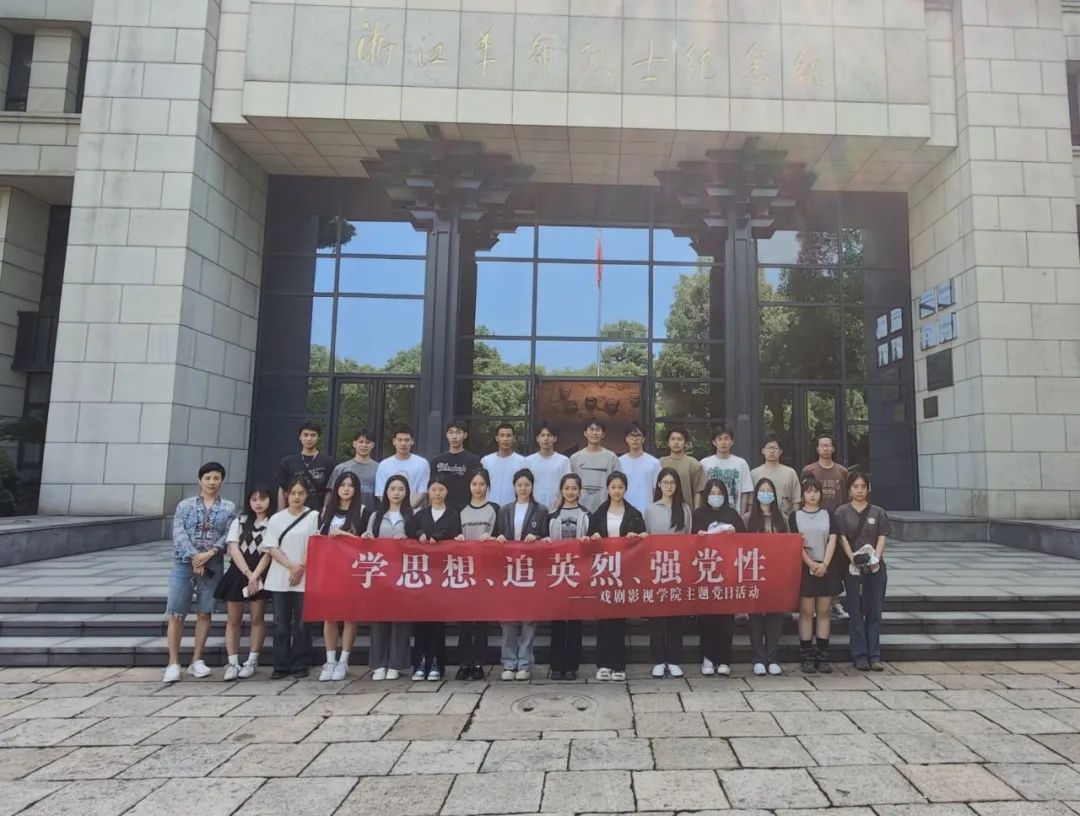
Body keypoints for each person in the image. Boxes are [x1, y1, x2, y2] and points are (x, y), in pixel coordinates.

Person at [163, 461, 236, 683]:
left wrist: (209, 554)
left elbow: (228, 535)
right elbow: (179, 533)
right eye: (208, 478)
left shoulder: (229, 507)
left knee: (205, 612)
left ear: (222, 481)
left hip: (212, 563)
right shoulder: (184, 506)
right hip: (184, 562)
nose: (212, 482)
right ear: (200, 481)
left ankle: (197, 659)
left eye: (216, 478)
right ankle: (173, 662)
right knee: (176, 612)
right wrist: (195, 556)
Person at [587, 471, 647, 682]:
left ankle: (619, 665)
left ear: (626, 489)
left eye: (620, 487)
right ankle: (603, 664)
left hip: (624, 573)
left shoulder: (634, 514)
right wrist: (594, 537)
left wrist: (636, 537)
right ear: (607, 489)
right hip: (603, 572)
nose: (617, 491)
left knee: (619, 620)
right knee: (604, 620)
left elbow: (644, 539)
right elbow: (588, 540)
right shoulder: (598, 514)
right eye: (613, 487)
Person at [260, 476, 320, 679]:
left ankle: (301, 663)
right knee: (280, 624)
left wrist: (300, 568)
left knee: (302, 623)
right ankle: (281, 664)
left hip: (305, 576)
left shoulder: (313, 516)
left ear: (307, 495)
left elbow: (314, 544)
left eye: (301, 493)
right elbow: (271, 547)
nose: (296, 497)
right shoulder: (277, 519)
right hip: (280, 577)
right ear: (286, 495)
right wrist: (291, 567)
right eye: (293, 493)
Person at [317, 472, 372, 682]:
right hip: (329, 569)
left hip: (353, 569)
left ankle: (344, 660)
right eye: (342, 485)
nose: (346, 489)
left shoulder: (364, 511)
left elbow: (366, 543)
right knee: (329, 615)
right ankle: (330, 659)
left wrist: (344, 535)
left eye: (351, 485)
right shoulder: (326, 511)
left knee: (350, 615)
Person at [214, 485, 272, 681]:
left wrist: (255, 576)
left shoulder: (273, 523)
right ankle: (233, 662)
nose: (258, 503)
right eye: (254, 499)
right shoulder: (240, 521)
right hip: (238, 573)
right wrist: (248, 573)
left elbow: (269, 552)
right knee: (234, 619)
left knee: (257, 618)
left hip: (260, 573)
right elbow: (233, 548)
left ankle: (252, 660)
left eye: (262, 499)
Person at [835, 471, 891, 672]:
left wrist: (876, 557)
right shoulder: (842, 512)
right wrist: (852, 558)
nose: (859, 491)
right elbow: (841, 537)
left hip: (875, 568)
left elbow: (882, 536)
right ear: (849, 489)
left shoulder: (878, 512)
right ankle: (859, 655)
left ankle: (874, 655)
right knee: (856, 611)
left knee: (874, 611)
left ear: (868, 489)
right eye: (855, 487)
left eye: (863, 487)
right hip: (853, 568)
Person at [495, 468, 548, 681]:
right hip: (508, 570)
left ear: (532, 486)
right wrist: (499, 538)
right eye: (519, 485)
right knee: (507, 618)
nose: (523, 488)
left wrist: (537, 538)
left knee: (529, 619)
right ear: (514, 487)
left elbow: (546, 537)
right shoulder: (505, 510)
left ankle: (525, 663)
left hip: (530, 570)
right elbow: (498, 534)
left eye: (527, 485)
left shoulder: (541, 510)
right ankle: (509, 663)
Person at [409, 475, 462, 681]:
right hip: (421, 574)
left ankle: (436, 664)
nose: (437, 493)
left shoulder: (453, 514)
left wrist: (441, 535)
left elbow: (456, 536)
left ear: (446, 492)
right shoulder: (420, 515)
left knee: (438, 622)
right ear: (428, 492)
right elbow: (410, 532)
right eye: (433, 489)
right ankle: (419, 662)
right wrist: (420, 533)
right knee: (420, 621)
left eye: (441, 489)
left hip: (442, 574)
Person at [363, 474, 415, 680]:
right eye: (393, 488)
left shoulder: (411, 515)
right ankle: (378, 664)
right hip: (380, 575)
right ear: (386, 492)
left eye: (401, 489)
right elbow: (368, 538)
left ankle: (396, 664)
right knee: (379, 618)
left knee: (400, 620)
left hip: (403, 574)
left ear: (406, 493)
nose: (396, 493)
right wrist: (367, 537)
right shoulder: (376, 516)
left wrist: (408, 539)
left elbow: (417, 543)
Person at [692, 479, 746, 677]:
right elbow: (690, 541)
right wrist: (699, 535)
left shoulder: (732, 514)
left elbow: (745, 540)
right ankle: (707, 657)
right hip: (706, 572)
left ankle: (724, 659)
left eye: (719, 493)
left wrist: (734, 532)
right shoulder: (699, 514)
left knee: (726, 619)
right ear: (706, 496)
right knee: (707, 618)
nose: (716, 497)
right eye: (712, 493)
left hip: (727, 572)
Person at [644, 467, 692, 679]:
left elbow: (689, 538)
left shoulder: (685, 509)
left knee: (675, 618)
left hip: (678, 570)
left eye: (672, 483)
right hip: (656, 570)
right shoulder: (650, 509)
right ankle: (657, 660)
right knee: (657, 619)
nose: (669, 486)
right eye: (665, 482)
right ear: (659, 485)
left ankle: (673, 660)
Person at [790, 476, 839, 674]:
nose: (812, 495)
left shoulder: (829, 514)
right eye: (808, 491)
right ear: (803, 494)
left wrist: (824, 563)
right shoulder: (794, 516)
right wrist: (810, 563)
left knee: (824, 612)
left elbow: (833, 540)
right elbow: (795, 543)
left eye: (815, 491)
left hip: (826, 566)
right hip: (804, 567)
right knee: (806, 612)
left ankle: (822, 655)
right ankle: (807, 656)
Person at [455, 468, 499, 680]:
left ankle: (479, 662)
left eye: (482, 484)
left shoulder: (494, 509)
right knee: (464, 620)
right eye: (474, 484)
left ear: (487, 486)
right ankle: (464, 662)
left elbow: (502, 536)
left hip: (486, 571)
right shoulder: (460, 510)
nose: (478, 488)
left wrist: (492, 539)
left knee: (482, 620)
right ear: (469, 486)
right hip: (464, 571)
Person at [545, 473, 591, 681]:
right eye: (567, 488)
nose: (570, 492)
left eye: (574, 488)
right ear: (561, 490)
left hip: (578, 575)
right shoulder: (551, 515)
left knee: (574, 622)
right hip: (556, 574)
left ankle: (572, 665)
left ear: (579, 491)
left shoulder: (587, 515)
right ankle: (556, 665)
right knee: (557, 623)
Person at [801, 435, 850, 621]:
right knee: (813, 561)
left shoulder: (842, 471)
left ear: (833, 448)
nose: (826, 448)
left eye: (829, 445)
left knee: (834, 564)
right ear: (817, 449)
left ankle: (835, 602)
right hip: (813, 522)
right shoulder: (809, 470)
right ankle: (813, 603)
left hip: (835, 523)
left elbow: (846, 497)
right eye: (822, 445)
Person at [744, 476, 789, 677]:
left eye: (769, 491)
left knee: (775, 617)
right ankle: (758, 658)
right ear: (756, 495)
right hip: (754, 573)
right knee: (755, 617)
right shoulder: (747, 518)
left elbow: (789, 544)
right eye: (762, 491)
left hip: (777, 574)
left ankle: (772, 657)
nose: (765, 494)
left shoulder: (782, 518)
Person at [277, 422, 335, 511]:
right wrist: (281, 512)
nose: (309, 439)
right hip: (292, 511)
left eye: (313, 435)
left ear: (318, 437)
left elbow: (329, 490)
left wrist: (325, 511)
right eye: (305, 435)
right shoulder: (288, 462)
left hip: (317, 511)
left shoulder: (328, 462)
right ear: (300, 437)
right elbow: (282, 489)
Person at [700, 421, 754, 515]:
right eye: (719, 439)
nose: (723, 442)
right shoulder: (705, 463)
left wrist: (741, 516)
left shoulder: (741, 463)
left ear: (732, 441)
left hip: (733, 512)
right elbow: (701, 492)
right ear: (714, 442)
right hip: (710, 513)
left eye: (726, 439)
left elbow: (744, 493)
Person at [430, 419, 482, 511]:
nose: (454, 436)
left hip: (466, 508)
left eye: (458, 433)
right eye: (451, 433)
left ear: (465, 435)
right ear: (447, 435)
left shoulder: (474, 460)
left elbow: (478, 486)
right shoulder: (436, 461)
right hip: (442, 509)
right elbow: (431, 488)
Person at [374, 424, 430, 507]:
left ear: (412, 441)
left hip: (414, 511)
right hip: (390, 511)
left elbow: (423, 491)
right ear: (394, 441)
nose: (403, 443)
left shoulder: (422, 463)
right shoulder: (384, 465)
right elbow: (380, 492)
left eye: (406, 440)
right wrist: (394, 509)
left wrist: (408, 509)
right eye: (399, 440)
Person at [570, 419, 619, 512]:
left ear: (603, 434)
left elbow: (617, 484)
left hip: (604, 509)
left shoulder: (611, 457)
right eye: (591, 429)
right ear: (585, 433)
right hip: (579, 509)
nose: (594, 433)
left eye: (598, 430)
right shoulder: (575, 458)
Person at [326, 427, 378, 512]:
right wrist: (326, 510)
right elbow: (331, 492)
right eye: (361, 442)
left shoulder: (379, 469)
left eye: (367, 442)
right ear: (354, 444)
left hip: (370, 514)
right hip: (345, 514)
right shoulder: (341, 468)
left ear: (372, 445)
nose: (364, 445)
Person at [751, 433, 802, 516]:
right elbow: (751, 501)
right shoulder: (754, 473)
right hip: (760, 518)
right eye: (769, 448)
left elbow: (796, 500)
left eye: (775, 448)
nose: (772, 451)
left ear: (780, 451)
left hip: (785, 517)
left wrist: (793, 519)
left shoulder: (790, 473)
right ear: (763, 451)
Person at [524, 422, 571, 510]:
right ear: (537, 439)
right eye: (542, 435)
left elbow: (567, 484)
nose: (546, 438)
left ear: (555, 438)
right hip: (533, 508)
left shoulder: (563, 461)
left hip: (557, 507)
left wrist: (559, 504)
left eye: (549, 435)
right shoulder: (528, 461)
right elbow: (524, 485)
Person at [619, 422, 661, 513]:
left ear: (643, 439)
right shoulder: (619, 462)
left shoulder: (654, 463)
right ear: (626, 439)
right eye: (631, 436)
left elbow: (658, 490)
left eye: (638, 435)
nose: (635, 439)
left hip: (647, 511)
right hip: (624, 511)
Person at [660, 427, 706, 511]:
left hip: (686, 511)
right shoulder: (660, 463)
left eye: (680, 439)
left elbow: (698, 492)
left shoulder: (694, 464)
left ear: (685, 443)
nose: (676, 442)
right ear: (668, 443)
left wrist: (696, 514)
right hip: (663, 510)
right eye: (672, 439)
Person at [481, 423, 526, 507]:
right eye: (502, 435)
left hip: (513, 508)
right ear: (496, 438)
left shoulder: (522, 461)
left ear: (514, 438)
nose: (505, 439)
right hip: (490, 507)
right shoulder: (486, 461)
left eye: (509, 435)